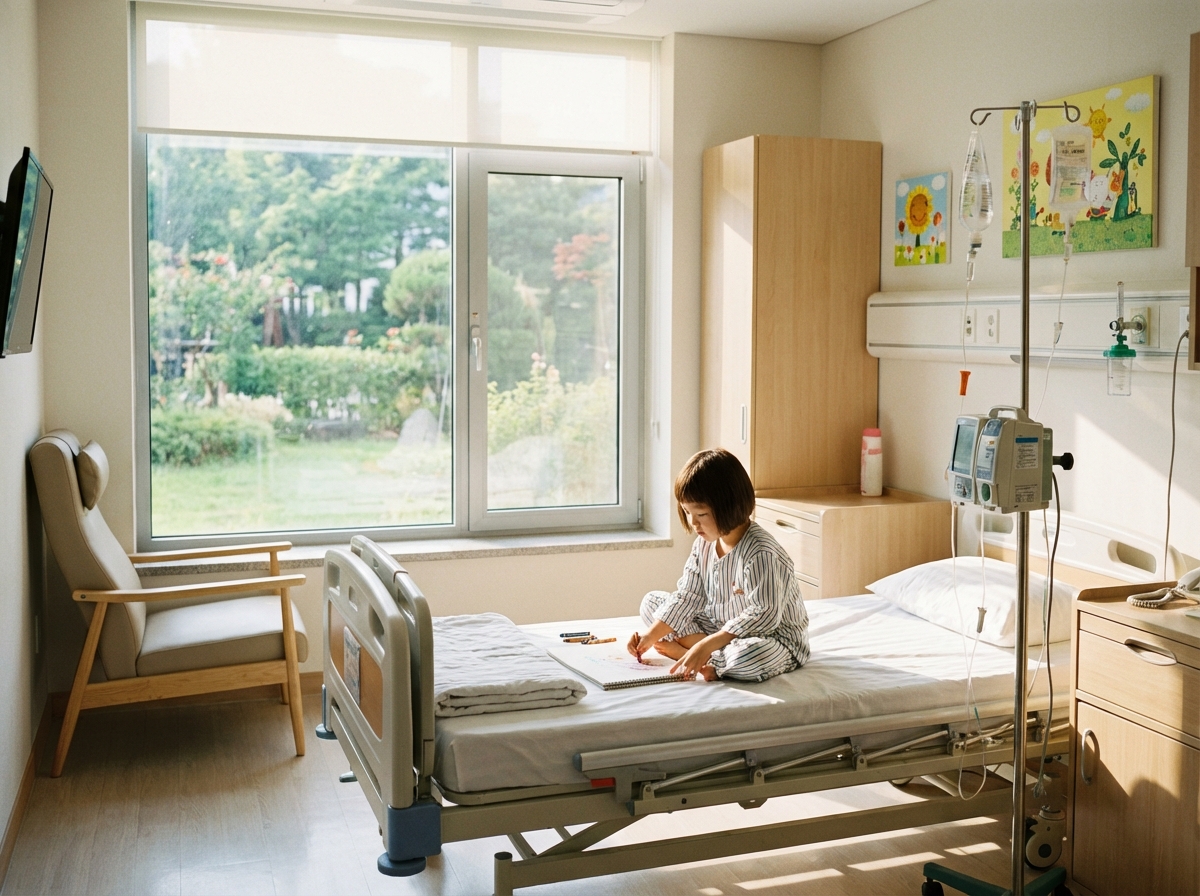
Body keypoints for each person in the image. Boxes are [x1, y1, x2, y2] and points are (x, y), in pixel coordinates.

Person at [627, 448, 810, 682]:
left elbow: (764, 616)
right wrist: (649, 637)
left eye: (701, 513)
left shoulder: (761, 552)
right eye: (686, 512)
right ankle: (702, 653)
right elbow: (688, 595)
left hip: (771, 638)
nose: (693, 522)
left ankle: (700, 656)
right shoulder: (703, 544)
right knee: (652, 602)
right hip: (718, 626)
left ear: (728, 506)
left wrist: (708, 642)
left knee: (749, 655)